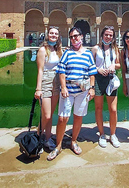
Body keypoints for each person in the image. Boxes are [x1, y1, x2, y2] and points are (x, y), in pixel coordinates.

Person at [47, 27, 97, 161]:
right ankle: (58, 146)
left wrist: (92, 88)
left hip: (82, 91)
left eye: (76, 36)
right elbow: (61, 71)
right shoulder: (67, 53)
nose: (74, 38)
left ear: (81, 36)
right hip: (68, 90)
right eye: (71, 37)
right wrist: (63, 87)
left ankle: (73, 141)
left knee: (78, 117)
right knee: (63, 118)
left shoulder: (87, 54)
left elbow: (92, 72)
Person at [91, 26, 121, 148]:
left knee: (113, 109)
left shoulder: (115, 49)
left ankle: (113, 134)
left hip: (111, 80)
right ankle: (102, 134)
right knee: (98, 108)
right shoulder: (95, 49)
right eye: (106, 34)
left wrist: (114, 66)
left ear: (113, 37)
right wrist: (98, 69)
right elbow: (91, 65)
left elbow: (119, 64)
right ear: (102, 35)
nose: (108, 37)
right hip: (98, 79)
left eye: (110, 35)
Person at [35, 26, 62, 150]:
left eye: (56, 34)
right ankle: (37, 137)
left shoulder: (58, 50)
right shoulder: (42, 50)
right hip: (46, 80)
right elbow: (40, 70)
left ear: (58, 36)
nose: (53, 35)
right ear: (47, 34)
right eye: (51, 33)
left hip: (56, 82)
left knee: (50, 114)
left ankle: (47, 138)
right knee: (45, 115)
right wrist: (38, 88)